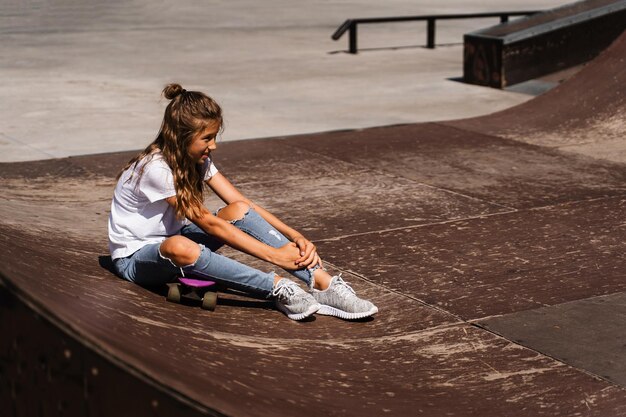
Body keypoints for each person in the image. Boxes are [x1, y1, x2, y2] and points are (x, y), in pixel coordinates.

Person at [108, 83, 378, 321]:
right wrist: (274, 257)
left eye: (214, 136)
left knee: (238, 211)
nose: (213, 145)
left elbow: (242, 204)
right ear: (181, 136)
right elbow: (208, 223)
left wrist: (295, 236)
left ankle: (322, 283)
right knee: (181, 246)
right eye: (207, 138)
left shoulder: (196, 159)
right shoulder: (155, 168)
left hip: (176, 239)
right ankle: (276, 287)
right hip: (136, 259)